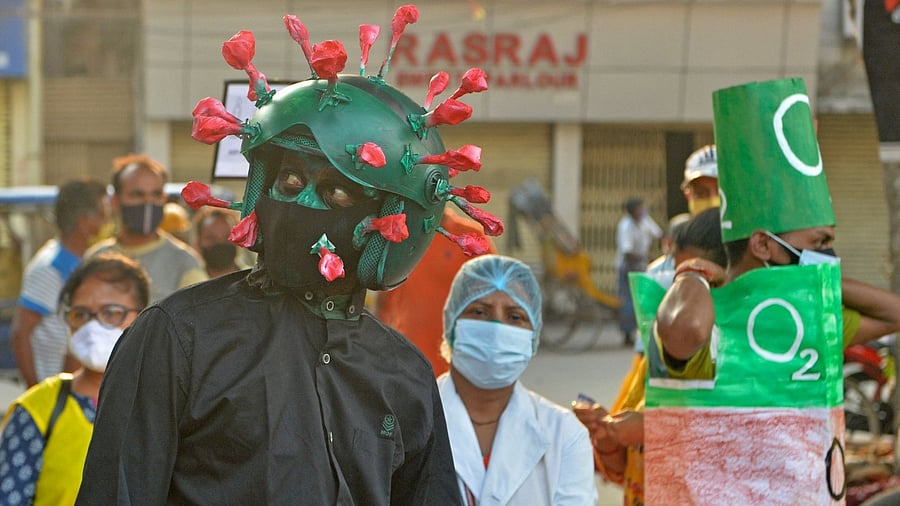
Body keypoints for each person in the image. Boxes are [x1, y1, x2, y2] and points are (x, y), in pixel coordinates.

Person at [77, 7, 498, 504]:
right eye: (290, 182)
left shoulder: (404, 373)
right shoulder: (177, 338)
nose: (303, 204)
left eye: (337, 194)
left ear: (395, 223)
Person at [648, 78, 900, 503]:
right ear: (763, 244)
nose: (828, 253)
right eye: (818, 244)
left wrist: (820, 276)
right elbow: (683, 332)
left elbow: (894, 314)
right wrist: (692, 274)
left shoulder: (812, 320)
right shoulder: (712, 314)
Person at [573, 207, 726, 506]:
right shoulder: (653, 362)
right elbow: (623, 473)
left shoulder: (750, 361)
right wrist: (608, 437)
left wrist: (649, 428)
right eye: (675, 283)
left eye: (696, 280)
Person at [437, 255, 596, 505]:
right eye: (479, 311)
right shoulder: (409, 419)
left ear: (532, 337)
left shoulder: (564, 434)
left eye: (514, 317)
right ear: (452, 325)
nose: (496, 328)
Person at [0, 253, 149, 505]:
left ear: (144, 317)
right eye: (80, 314)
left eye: (111, 312)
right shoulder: (37, 410)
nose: (93, 327)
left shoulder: (166, 404)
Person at [11, 178, 109, 387]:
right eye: (101, 214)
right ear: (83, 222)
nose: (106, 221)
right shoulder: (50, 267)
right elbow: (20, 334)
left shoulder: (86, 260)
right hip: (53, 391)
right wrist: (36, 392)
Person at [375, 206, 496, 376]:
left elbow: (495, 302)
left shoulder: (471, 237)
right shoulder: (396, 236)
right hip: (407, 368)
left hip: (459, 370)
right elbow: (383, 306)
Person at [86, 153, 207, 302]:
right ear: (115, 202)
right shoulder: (96, 258)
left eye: (156, 194)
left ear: (164, 199)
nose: (148, 202)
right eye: (137, 195)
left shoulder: (184, 261)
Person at [614, 197, 662, 345]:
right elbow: (627, 252)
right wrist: (646, 256)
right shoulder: (625, 226)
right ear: (633, 211)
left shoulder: (645, 221)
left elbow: (658, 234)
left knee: (643, 299)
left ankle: (642, 330)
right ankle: (627, 334)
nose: (643, 211)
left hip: (642, 266)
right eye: (640, 208)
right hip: (628, 267)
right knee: (628, 300)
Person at [191, 207, 246, 278]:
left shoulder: (256, 280)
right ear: (198, 243)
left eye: (227, 237)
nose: (220, 242)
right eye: (211, 238)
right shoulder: (189, 283)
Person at [681, 144, 719, 216]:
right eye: (701, 193)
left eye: (720, 192)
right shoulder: (681, 227)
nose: (713, 203)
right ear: (688, 195)